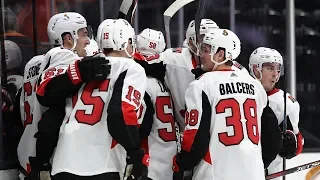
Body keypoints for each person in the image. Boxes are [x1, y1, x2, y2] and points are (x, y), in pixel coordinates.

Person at [38, 18, 146, 180]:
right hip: (104, 165)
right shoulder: (131, 68)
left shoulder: (82, 66)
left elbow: (50, 112)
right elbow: (120, 115)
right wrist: (134, 153)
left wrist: (43, 160)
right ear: (126, 42)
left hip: (64, 164)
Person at [172, 29, 283, 180]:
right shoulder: (255, 85)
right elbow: (273, 139)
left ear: (221, 55)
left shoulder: (201, 85)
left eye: (205, 50)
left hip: (215, 173)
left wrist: (181, 163)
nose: (200, 55)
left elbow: (195, 139)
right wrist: (255, 165)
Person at [135, 19, 247, 130]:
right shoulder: (173, 59)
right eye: (203, 38)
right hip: (188, 134)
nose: (207, 43)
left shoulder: (238, 72)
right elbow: (141, 61)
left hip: (220, 136)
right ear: (190, 42)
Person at [249, 47, 304, 178]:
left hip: (271, 173)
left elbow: (297, 143)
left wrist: (291, 143)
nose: (276, 74)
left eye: (278, 69)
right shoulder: (241, 94)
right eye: (270, 68)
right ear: (256, 69)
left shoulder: (285, 102)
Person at [135, 28, 178, 180]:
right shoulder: (172, 81)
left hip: (150, 164)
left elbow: (141, 128)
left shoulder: (139, 82)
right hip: (172, 161)